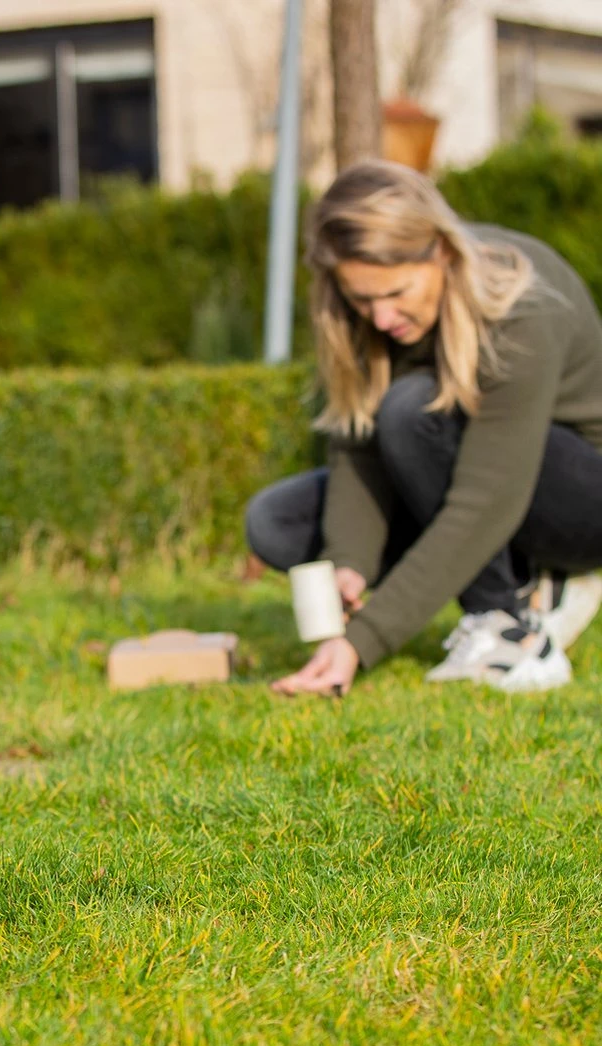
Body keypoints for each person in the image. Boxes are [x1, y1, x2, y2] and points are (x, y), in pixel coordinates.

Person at [245, 159, 602, 697]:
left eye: (396, 293)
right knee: (278, 522)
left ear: (441, 251)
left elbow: (484, 502)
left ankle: (509, 629)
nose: (381, 318)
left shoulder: (521, 307)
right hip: (484, 478)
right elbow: (358, 449)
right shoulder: (363, 317)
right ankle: (528, 576)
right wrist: (349, 561)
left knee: (413, 410)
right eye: (362, 299)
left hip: (578, 498)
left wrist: (363, 639)